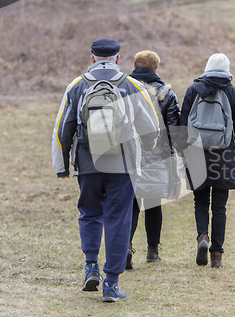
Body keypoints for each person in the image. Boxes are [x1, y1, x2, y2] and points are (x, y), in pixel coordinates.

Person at [52, 39, 159, 302]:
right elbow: (151, 127)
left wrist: (62, 165)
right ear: (118, 59)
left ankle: (91, 267)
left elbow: (62, 128)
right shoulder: (131, 85)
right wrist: (147, 146)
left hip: (88, 163)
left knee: (89, 213)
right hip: (122, 165)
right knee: (118, 219)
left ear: (92, 59)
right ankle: (111, 284)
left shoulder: (76, 86)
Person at [179, 53, 235, 268]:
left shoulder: (194, 90)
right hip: (225, 153)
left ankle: (203, 237)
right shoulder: (231, 92)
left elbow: (183, 123)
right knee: (220, 207)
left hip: (196, 152)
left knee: (200, 200)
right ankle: (217, 255)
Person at [126, 50, 181, 269]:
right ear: (156, 69)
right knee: (153, 204)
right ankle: (152, 251)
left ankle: (126, 246)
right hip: (158, 157)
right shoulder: (165, 92)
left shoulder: (124, 89)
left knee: (130, 204)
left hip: (129, 155)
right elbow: (175, 126)